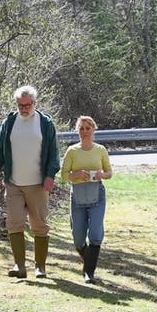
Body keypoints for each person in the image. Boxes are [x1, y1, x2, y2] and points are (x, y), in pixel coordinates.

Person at [0, 85, 60, 279]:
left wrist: (50, 176)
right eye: (20, 105)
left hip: (38, 184)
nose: (24, 109)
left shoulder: (45, 123)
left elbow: (54, 153)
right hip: (14, 183)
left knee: (39, 225)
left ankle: (40, 267)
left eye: (27, 105)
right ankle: (19, 266)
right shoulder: (9, 122)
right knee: (14, 224)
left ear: (34, 103)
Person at [61, 115, 112, 284]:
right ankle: (88, 260)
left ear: (93, 129)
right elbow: (63, 175)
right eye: (81, 128)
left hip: (97, 194)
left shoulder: (101, 150)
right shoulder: (72, 151)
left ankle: (89, 272)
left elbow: (109, 173)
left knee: (96, 233)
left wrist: (101, 175)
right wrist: (75, 175)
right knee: (78, 238)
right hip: (78, 196)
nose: (84, 131)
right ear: (78, 131)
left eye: (87, 128)